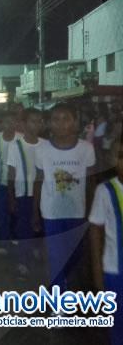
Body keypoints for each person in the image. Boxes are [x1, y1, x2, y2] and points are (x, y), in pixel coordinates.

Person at [33, 104, 95, 293]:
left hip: (77, 211)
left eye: (65, 119)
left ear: (75, 122)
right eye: (56, 119)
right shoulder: (42, 150)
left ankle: (66, 282)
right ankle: (59, 300)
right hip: (51, 212)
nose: (60, 124)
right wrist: (35, 213)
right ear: (49, 124)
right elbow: (38, 181)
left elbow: (90, 182)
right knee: (55, 255)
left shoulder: (86, 149)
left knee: (74, 254)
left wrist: (92, 213)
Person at [89, 141, 123, 345]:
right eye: (121, 156)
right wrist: (97, 272)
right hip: (114, 271)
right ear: (112, 159)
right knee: (117, 323)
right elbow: (95, 232)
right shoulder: (105, 191)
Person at [7, 108, 45, 278]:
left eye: (39, 121)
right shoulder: (15, 146)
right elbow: (11, 173)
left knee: (38, 226)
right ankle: (23, 261)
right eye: (32, 121)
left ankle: (35, 250)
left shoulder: (46, 145)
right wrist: (11, 197)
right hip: (23, 193)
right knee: (24, 227)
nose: (36, 125)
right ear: (23, 123)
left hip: (44, 194)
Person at [0, 110, 20, 255]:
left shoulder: (21, 139)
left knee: (16, 210)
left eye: (13, 122)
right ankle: (3, 241)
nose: (10, 125)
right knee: (3, 211)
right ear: (1, 124)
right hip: (1, 180)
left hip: (19, 182)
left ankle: (14, 235)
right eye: (7, 122)